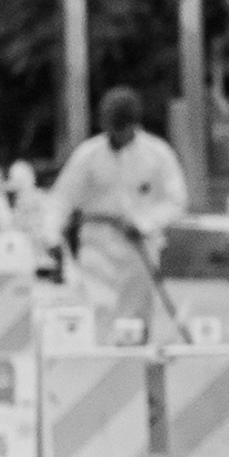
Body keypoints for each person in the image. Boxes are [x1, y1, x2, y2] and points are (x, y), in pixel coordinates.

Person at [46, 82, 191, 320]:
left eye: (121, 129)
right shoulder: (88, 155)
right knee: (99, 313)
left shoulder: (157, 154)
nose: (116, 135)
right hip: (96, 246)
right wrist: (51, 236)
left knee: (134, 318)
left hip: (139, 248)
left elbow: (176, 201)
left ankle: (134, 357)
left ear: (134, 124)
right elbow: (61, 198)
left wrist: (143, 222)